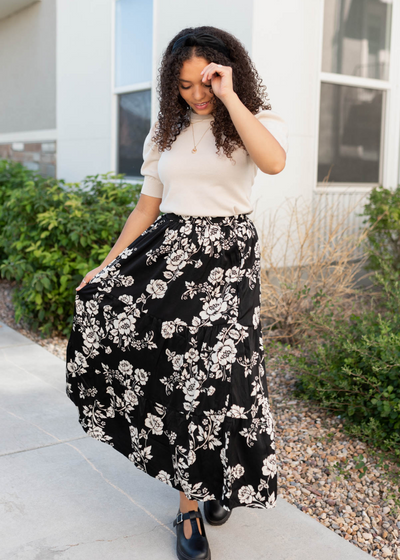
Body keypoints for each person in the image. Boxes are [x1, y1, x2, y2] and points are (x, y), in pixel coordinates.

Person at [66, 25, 288, 560]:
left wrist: (231, 97)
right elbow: (146, 207)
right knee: (181, 378)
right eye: (185, 85)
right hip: (168, 256)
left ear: (227, 70)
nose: (197, 94)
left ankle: (214, 481)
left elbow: (275, 163)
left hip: (227, 265)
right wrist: (107, 265)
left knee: (221, 381)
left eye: (206, 81)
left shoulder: (251, 118)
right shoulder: (164, 131)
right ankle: (190, 504)